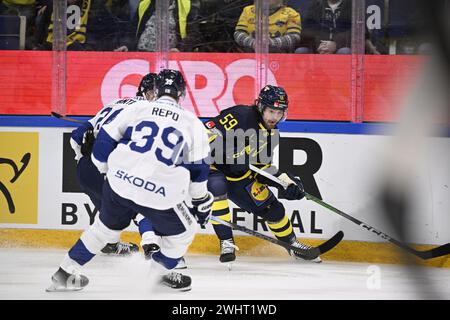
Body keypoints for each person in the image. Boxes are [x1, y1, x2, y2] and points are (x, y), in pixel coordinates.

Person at [47, 69, 212, 292]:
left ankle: (63, 274)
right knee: (184, 232)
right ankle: (157, 276)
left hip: (119, 183)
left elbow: (103, 143)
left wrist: (110, 172)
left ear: (155, 89)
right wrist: (200, 201)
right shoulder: (194, 123)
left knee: (103, 229)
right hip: (159, 192)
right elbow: (199, 171)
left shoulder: (136, 107)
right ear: (181, 94)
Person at [205, 85, 322, 264]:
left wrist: (284, 182)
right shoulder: (241, 115)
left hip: (240, 177)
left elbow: (261, 168)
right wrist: (229, 153)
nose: (274, 117)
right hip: (213, 169)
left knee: (273, 209)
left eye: (279, 112)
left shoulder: (271, 133)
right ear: (261, 107)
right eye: (271, 111)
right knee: (217, 187)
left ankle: (292, 245)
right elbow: (205, 133)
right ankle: (226, 241)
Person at [69, 73, 159, 256]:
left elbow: (76, 137)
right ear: (144, 92)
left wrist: (84, 159)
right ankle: (151, 245)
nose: (155, 97)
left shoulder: (116, 102)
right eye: (152, 93)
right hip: (109, 167)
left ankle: (110, 244)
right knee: (142, 204)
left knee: (109, 213)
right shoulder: (146, 110)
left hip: (85, 169)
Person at [114, 0, 201, 52]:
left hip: (170, 58)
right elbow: (132, 29)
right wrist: (126, 45)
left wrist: (180, 49)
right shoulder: (146, 3)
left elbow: (194, 33)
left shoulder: (187, 4)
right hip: (141, 55)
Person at [234, 0, 301, 53]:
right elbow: (238, 33)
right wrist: (253, 43)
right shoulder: (247, 11)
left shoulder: (291, 13)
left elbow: (294, 36)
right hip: (249, 54)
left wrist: (271, 42)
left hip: (281, 56)